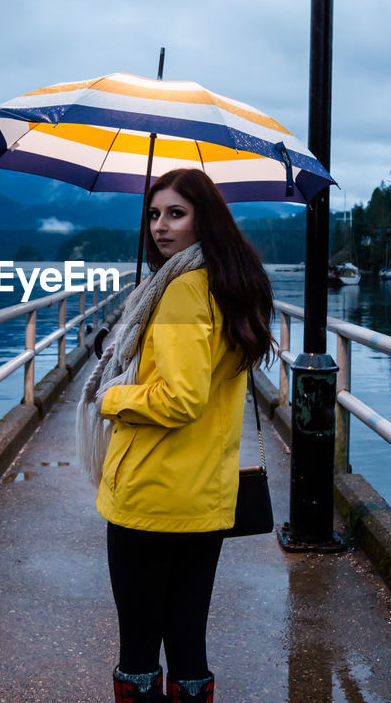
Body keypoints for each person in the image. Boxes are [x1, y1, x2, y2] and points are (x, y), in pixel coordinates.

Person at [77, 168, 274, 703]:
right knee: (187, 640)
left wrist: (112, 396)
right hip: (203, 497)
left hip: (153, 495)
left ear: (203, 218)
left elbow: (179, 398)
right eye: (154, 214)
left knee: (140, 648)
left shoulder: (182, 291)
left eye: (176, 213)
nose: (161, 226)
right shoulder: (227, 285)